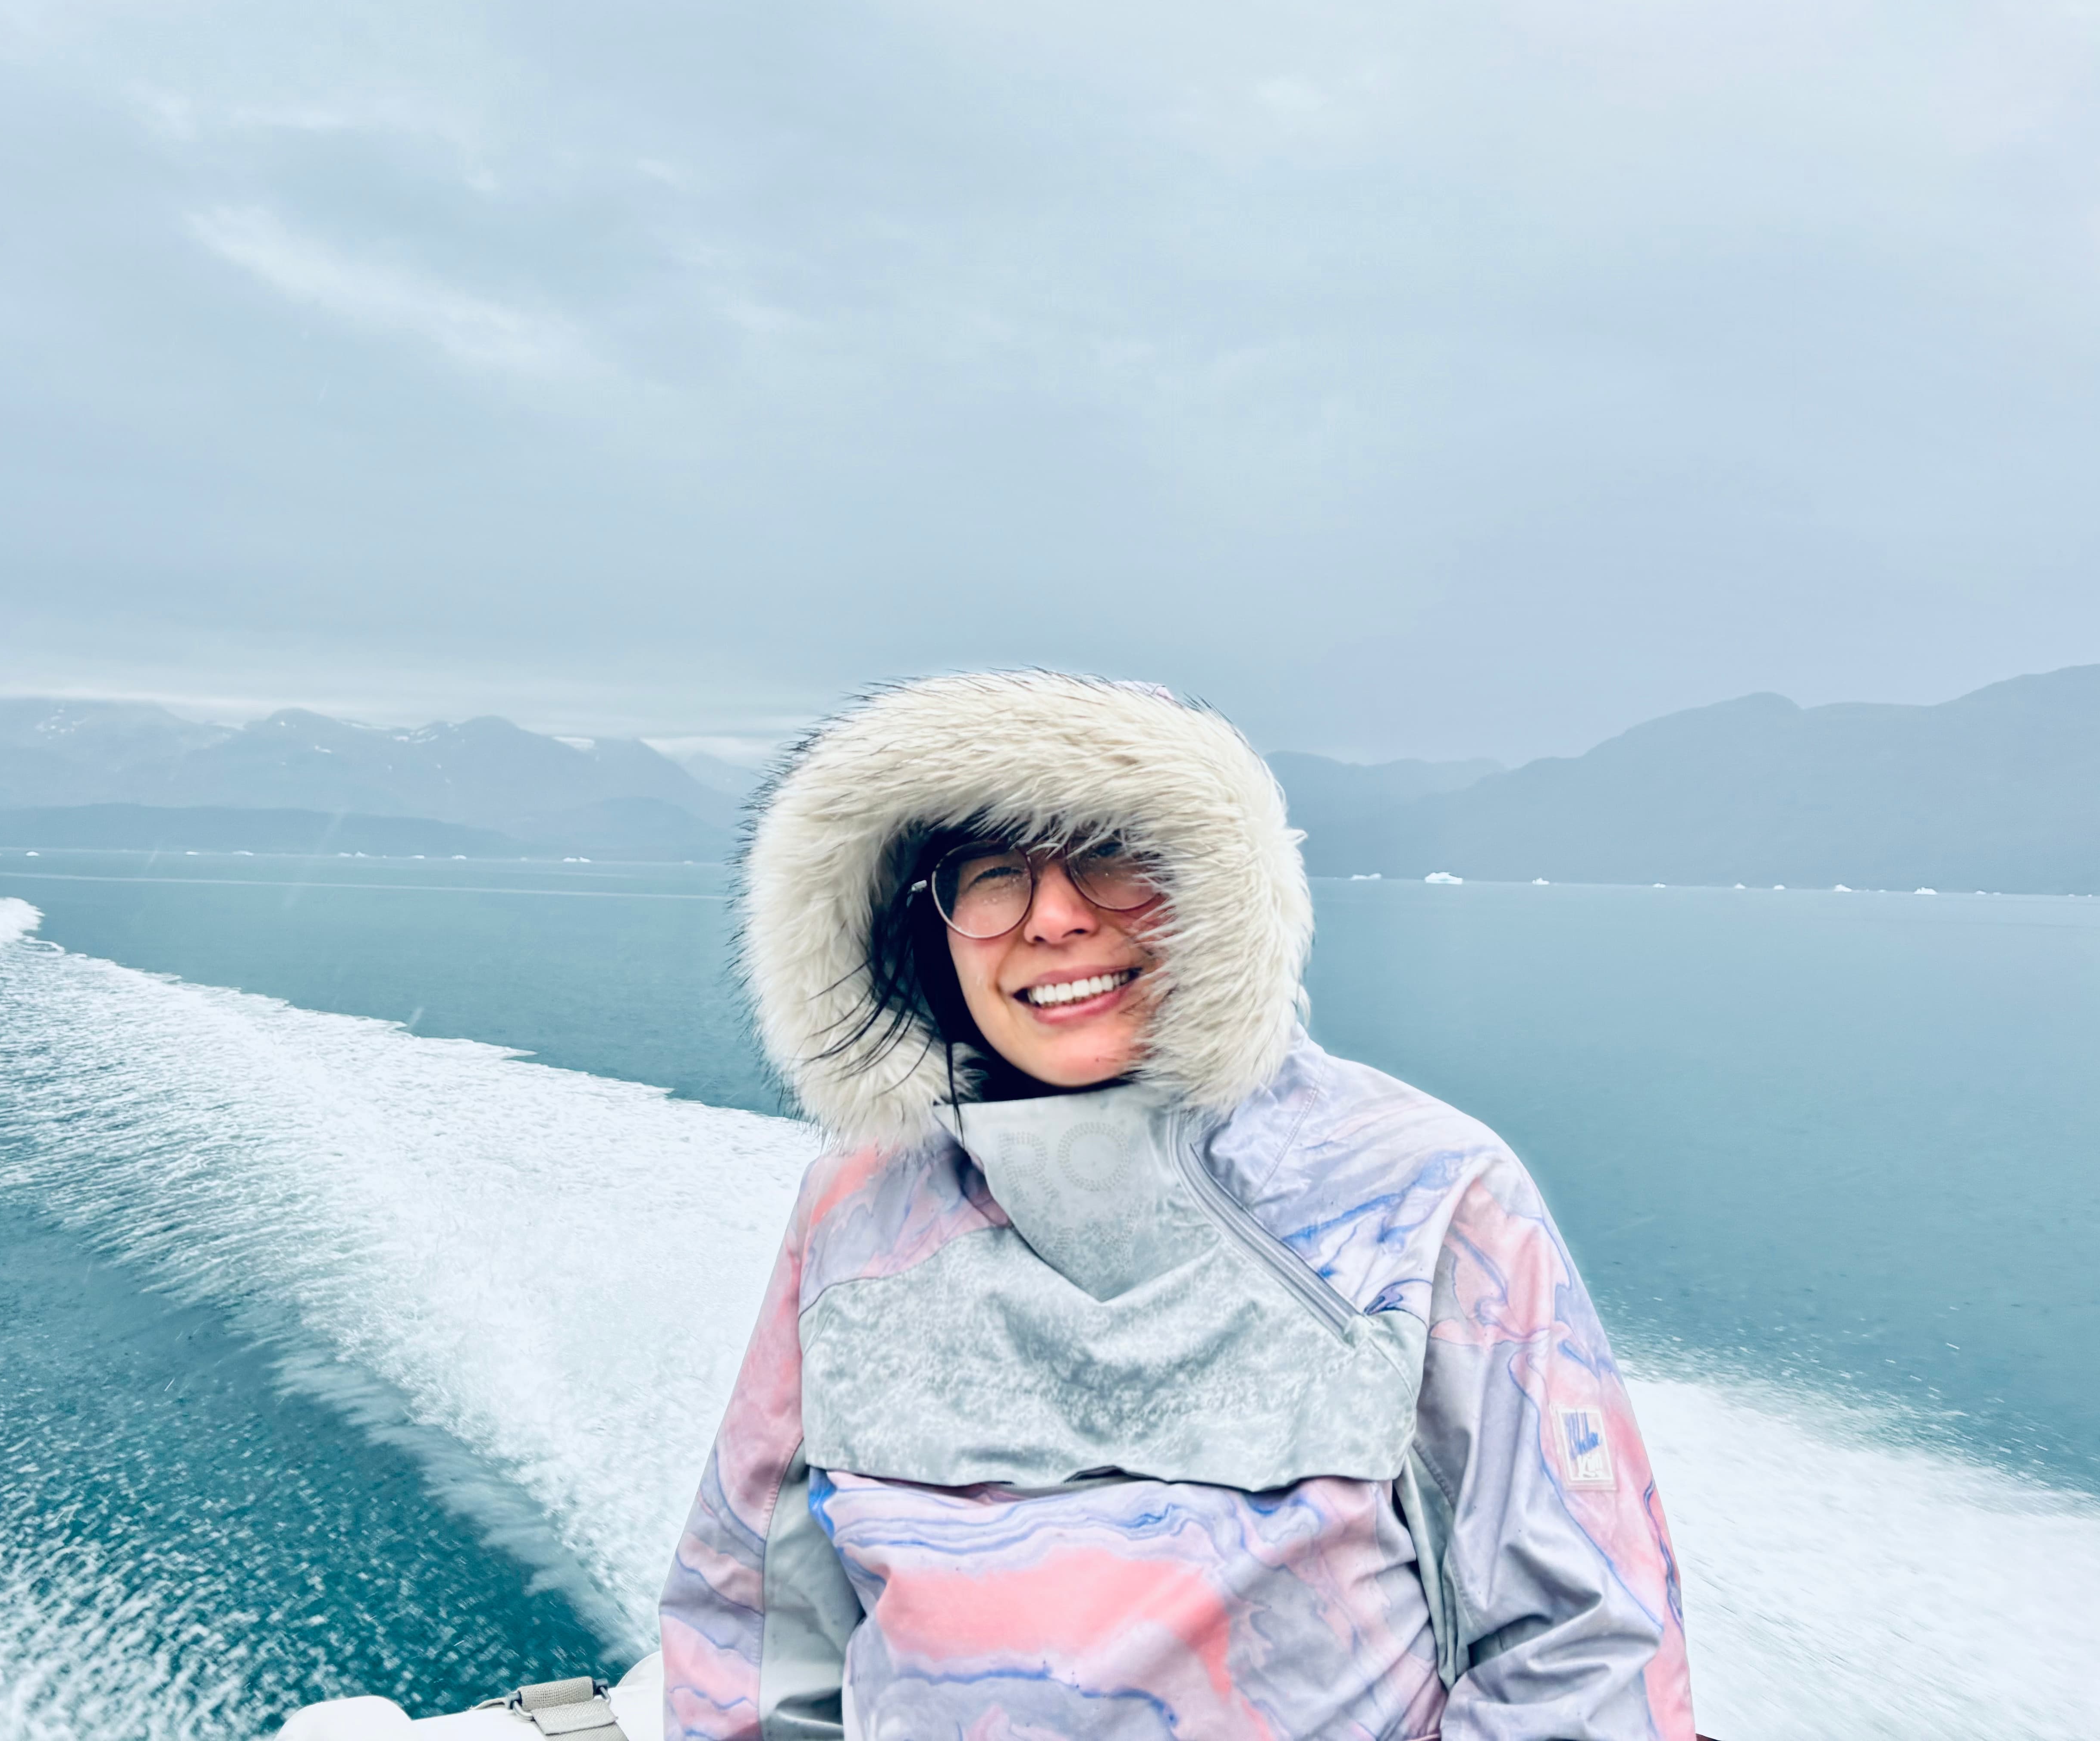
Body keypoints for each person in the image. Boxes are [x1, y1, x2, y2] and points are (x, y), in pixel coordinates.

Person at [661, 671, 1695, 1741]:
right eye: (991, 876)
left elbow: (1584, 1641)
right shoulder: (859, 1207)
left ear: (1214, 897)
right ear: (923, 933)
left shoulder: (1419, 1189)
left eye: (1110, 859)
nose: (1055, 919)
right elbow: (754, 1610)